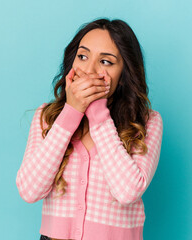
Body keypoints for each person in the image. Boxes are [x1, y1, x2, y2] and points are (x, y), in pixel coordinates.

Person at [16, 17, 163, 240]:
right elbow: (29, 190)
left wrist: (98, 114)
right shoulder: (47, 116)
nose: (89, 69)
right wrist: (71, 113)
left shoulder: (147, 122)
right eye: (82, 56)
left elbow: (127, 192)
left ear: (124, 75)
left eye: (106, 62)